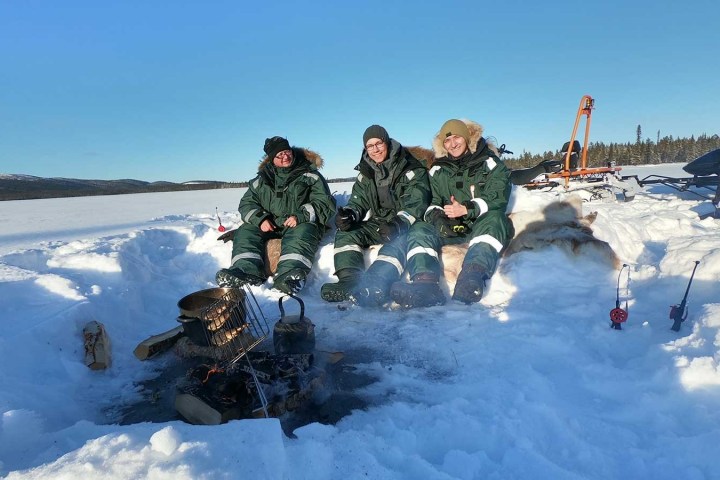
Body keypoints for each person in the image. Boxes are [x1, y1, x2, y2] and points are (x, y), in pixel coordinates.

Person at [390, 119, 513, 306]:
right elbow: (432, 201)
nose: (452, 144)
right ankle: (426, 286)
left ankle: (471, 279)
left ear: (467, 138)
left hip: (479, 224)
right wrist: (437, 216)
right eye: (447, 141)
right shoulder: (438, 170)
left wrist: (467, 208)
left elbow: (498, 197)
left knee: (496, 219)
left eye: (457, 138)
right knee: (420, 228)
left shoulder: (490, 163)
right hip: (450, 227)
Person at [320, 125, 433, 307]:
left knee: (396, 243)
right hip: (379, 222)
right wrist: (350, 214)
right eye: (369, 146)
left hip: (405, 224)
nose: (375, 149)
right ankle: (350, 281)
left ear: (387, 142)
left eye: (378, 143)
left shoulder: (411, 168)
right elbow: (359, 201)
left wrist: (398, 223)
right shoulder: (366, 172)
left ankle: (377, 283)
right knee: (346, 233)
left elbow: (417, 202)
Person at [216, 136, 336, 294]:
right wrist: (260, 219)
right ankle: (246, 271)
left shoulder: (310, 175)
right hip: (270, 225)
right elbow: (246, 204)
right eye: (279, 155)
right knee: (246, 230)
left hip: (299, 223)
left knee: (302, 232)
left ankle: (289, 276)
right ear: (271, 159)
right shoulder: (261, 180)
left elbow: (325, 202)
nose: (285, 156)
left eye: (287, 152)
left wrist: (301, 216)